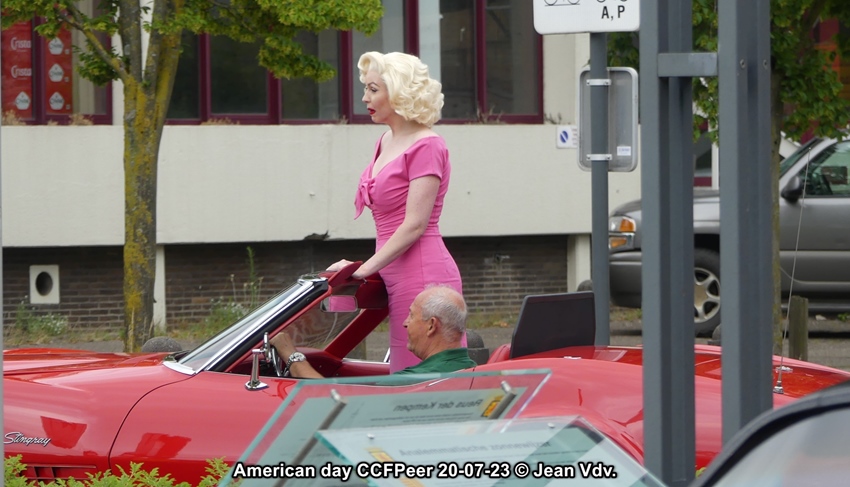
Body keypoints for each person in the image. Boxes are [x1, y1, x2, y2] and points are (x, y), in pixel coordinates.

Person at [327, 51, 463, 373]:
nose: (365, 98)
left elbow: (415, 225)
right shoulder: (385, 140)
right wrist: (364, 270)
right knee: (405, 375)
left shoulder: (427, 145)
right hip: (393, 271)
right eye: (366, 88)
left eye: (373, 89)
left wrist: (362, 270)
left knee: (420, 378)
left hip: (423, 275)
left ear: (400, 91)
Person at [269, 285, 476, 378]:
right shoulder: (475, 373)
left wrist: (290, 354)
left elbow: (327, 401)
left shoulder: (411, 381)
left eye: (411, 315)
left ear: (431, 325)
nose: (405, 323)